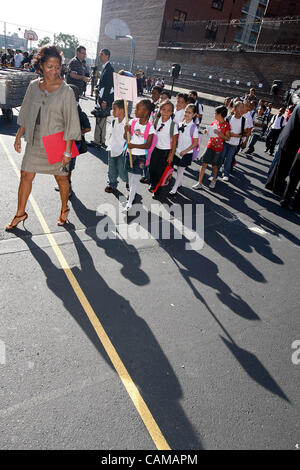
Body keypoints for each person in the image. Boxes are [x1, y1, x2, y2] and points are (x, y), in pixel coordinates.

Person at [5, 45, 81, 231]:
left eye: (57, 67)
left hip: (57, 140)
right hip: (35, 138)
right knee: (25, 175)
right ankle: (20, 213)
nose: (54, 71)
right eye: (50, 66)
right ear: (41, 65)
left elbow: (71, 121)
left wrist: (67, 151)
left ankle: (64, 209)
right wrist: (19, 135)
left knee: (62, 180)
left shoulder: (66, 91)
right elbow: (26, 111)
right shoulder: (33, 86)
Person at [54, 84, 91, 198]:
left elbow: (87, 128)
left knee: (68, 167)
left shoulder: (77, 110)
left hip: (72, 145)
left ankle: (68, 187)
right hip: (62, 142)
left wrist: (76, 133)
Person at [123, 99, 155, 211]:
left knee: (135, 180)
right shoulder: (132, 122)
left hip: (140, 157)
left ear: (146, 112)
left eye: (138, 108)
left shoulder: (150, 127)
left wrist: (134, 146)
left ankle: (130, 202)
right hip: (130, 154)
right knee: (130, 178)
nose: (135, 110)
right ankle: (131, 194)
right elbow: (125, 137)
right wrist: (125, 130)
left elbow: (148, 145)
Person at [266, 103, 300, 198]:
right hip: (291, 141)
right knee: (284, 167)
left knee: (279, 164)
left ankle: (270, 183)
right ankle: (277, 188)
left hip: (287, 139)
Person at [193, 105, 230, 190]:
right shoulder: (214, 122)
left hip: (218, 149)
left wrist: (219, 134)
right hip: (209, 146)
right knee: (204, 164)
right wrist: (206, 131)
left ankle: (214, 180)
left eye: (215, 113)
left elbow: (228, 138)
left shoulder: (226, 125)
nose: (214, 114)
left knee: (214, 166)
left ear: (220, 114)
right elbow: (209, 131)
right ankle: (199, 182)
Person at [149, 99, 178, 198]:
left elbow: (174, 142)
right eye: (164, 109)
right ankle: (153, 183)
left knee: (160, 172)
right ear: (160, 110)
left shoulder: (173, 125)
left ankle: (157, 190)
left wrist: (171, 155)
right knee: (152, 168)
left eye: (169, 110)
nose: (166, 112)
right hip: (155, 149)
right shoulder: (156, 120)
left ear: (172, 112)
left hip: (166, 151)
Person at [170, 104, 199, 195]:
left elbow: (195, 143)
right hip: (178, 150)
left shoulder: (194, 128)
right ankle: (179, 183)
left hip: (186, 153)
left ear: (194, 115)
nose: (187, 114)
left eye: (190, 112)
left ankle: (175, 187)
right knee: (177, 168)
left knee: (180, 170)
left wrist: (185, 151)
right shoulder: (180, 124)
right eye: (186, 111)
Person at [220, 101, 250, 182]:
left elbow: (245, 132)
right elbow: (225, 130)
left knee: (229, 159)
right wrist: (232, 134)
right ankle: (216, 171)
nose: (242, 109)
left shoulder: (244, 120)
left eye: (242, 108)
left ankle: (225, 174)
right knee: (221, 156)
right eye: (240, 107)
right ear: (235, 109)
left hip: (235, 144)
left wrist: (244, 140)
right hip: (225, 142)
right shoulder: (229, 118)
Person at [90, 48, 114, 149]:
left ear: (107, 56)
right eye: (100, 54)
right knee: (102, 120)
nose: (100, 56)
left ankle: (98, 141)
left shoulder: (109, 69)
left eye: (102, 54)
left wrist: (105, 100)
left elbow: (109, 86)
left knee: (100, 119)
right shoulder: (106, 67)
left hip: (104, 99)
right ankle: (101, 140)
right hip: (102, 97)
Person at [105, 99, 128, 193]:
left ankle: (128, 181)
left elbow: (128, 138)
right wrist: (109, 142)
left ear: (122, 110)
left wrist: (127, 131)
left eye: (114, 109)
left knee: (121, 170)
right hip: (112, 148)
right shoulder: (114, 121)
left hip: (122, 151)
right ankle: (112, 183)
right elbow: (109, 132)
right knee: (111, 169)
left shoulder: (127, 123)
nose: (112, 111)